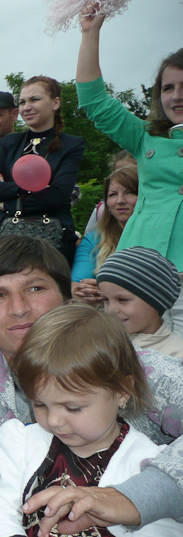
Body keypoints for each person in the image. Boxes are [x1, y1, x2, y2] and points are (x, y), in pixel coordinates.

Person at [0, 235, 183, 537]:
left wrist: (134, 498)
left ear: (68, 301)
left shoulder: (127, 366)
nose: (19, 308)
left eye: (35, 288)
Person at [0, 303, 183, 537]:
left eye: (73, 408)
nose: (54, 420)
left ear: (122, 391)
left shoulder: (146, 464)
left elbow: (165, 531)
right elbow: (0, 504)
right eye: (39, 404)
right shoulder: (24, 443)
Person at [77, 5, 183, 335]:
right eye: (168, 88)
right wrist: (90, 33)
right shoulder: (145, 136)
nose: (176, 96)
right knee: (134, 359)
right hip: (138, 275)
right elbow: (95, 103)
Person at [0, 76, 86, 264]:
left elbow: (58, 197)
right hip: (7, 241)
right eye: (22, 102)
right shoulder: (10, 142)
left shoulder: (72, 144)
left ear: (55, 103)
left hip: (52, 242)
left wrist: (7, 203)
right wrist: (26, 189)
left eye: (34, 99)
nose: (26, 107)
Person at [97, 247, 183, 359]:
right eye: (105, 299)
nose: (111, 309)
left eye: (122, 300)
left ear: (156, 301)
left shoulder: (177, 354)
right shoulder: (99, 344)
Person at [71, 166, 138, 304]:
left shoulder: (165, 238)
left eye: (130, 192)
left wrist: (109, 290)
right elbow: (76, 286)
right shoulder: (93, 240)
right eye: (113, 194)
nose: (120, 200)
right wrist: (85, 292)